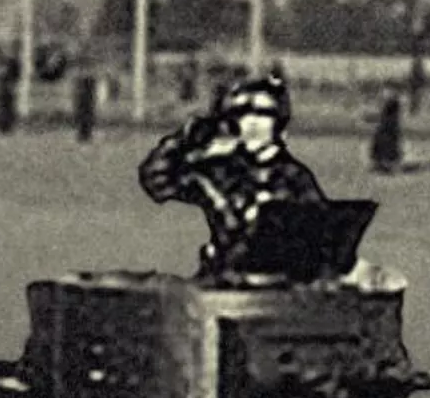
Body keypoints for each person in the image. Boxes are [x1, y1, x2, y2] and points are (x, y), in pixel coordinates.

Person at [138, 71, 326, 276]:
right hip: (222, 276)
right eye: (242, 113)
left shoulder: (295, 177)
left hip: (279, 279)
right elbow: (156, 180)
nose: (252, 122)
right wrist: (186, 141)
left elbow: (320, 234)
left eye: (264, 113)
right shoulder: (220, 170)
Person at [369, 90, 404, 174]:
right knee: (385, 146)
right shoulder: (392, 114)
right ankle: (383, 164)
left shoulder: (391, 113)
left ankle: (385, 164)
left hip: (387, 132)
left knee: (386, 147)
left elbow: (383, 118)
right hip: (386, 131)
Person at [71, 64, 98, 144]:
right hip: (84, 102)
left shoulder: (82, 85)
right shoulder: (84, 84)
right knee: (84, 116)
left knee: (84, 116)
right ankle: (84, 135)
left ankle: (84, 135)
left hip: (85, 102)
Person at [0, 59, 18, 135]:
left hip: (5, 96)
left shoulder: (5, 77)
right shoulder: (5, 78)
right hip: (5, 96)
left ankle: (5, 126)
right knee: (5, 110)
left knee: (5, 110)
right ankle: (4, 126)